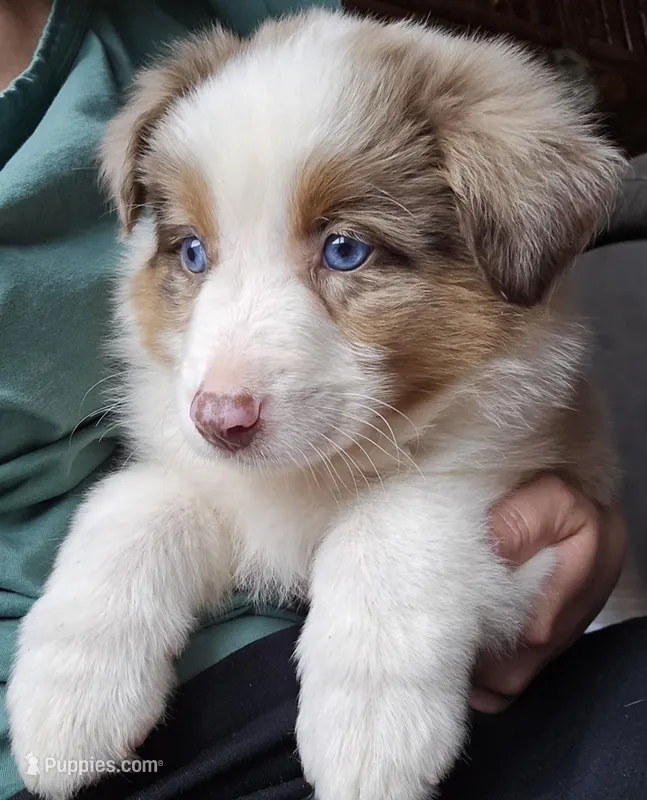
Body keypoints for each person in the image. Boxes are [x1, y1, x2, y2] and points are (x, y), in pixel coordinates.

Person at [0, 1, 643, 798]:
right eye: (194, 252)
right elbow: (197, 505)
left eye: (345, 250)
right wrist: (103, 602)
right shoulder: (186, 103)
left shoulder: (231, 20)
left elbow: (543, 534)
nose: (219, 395)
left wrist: (419, 573)